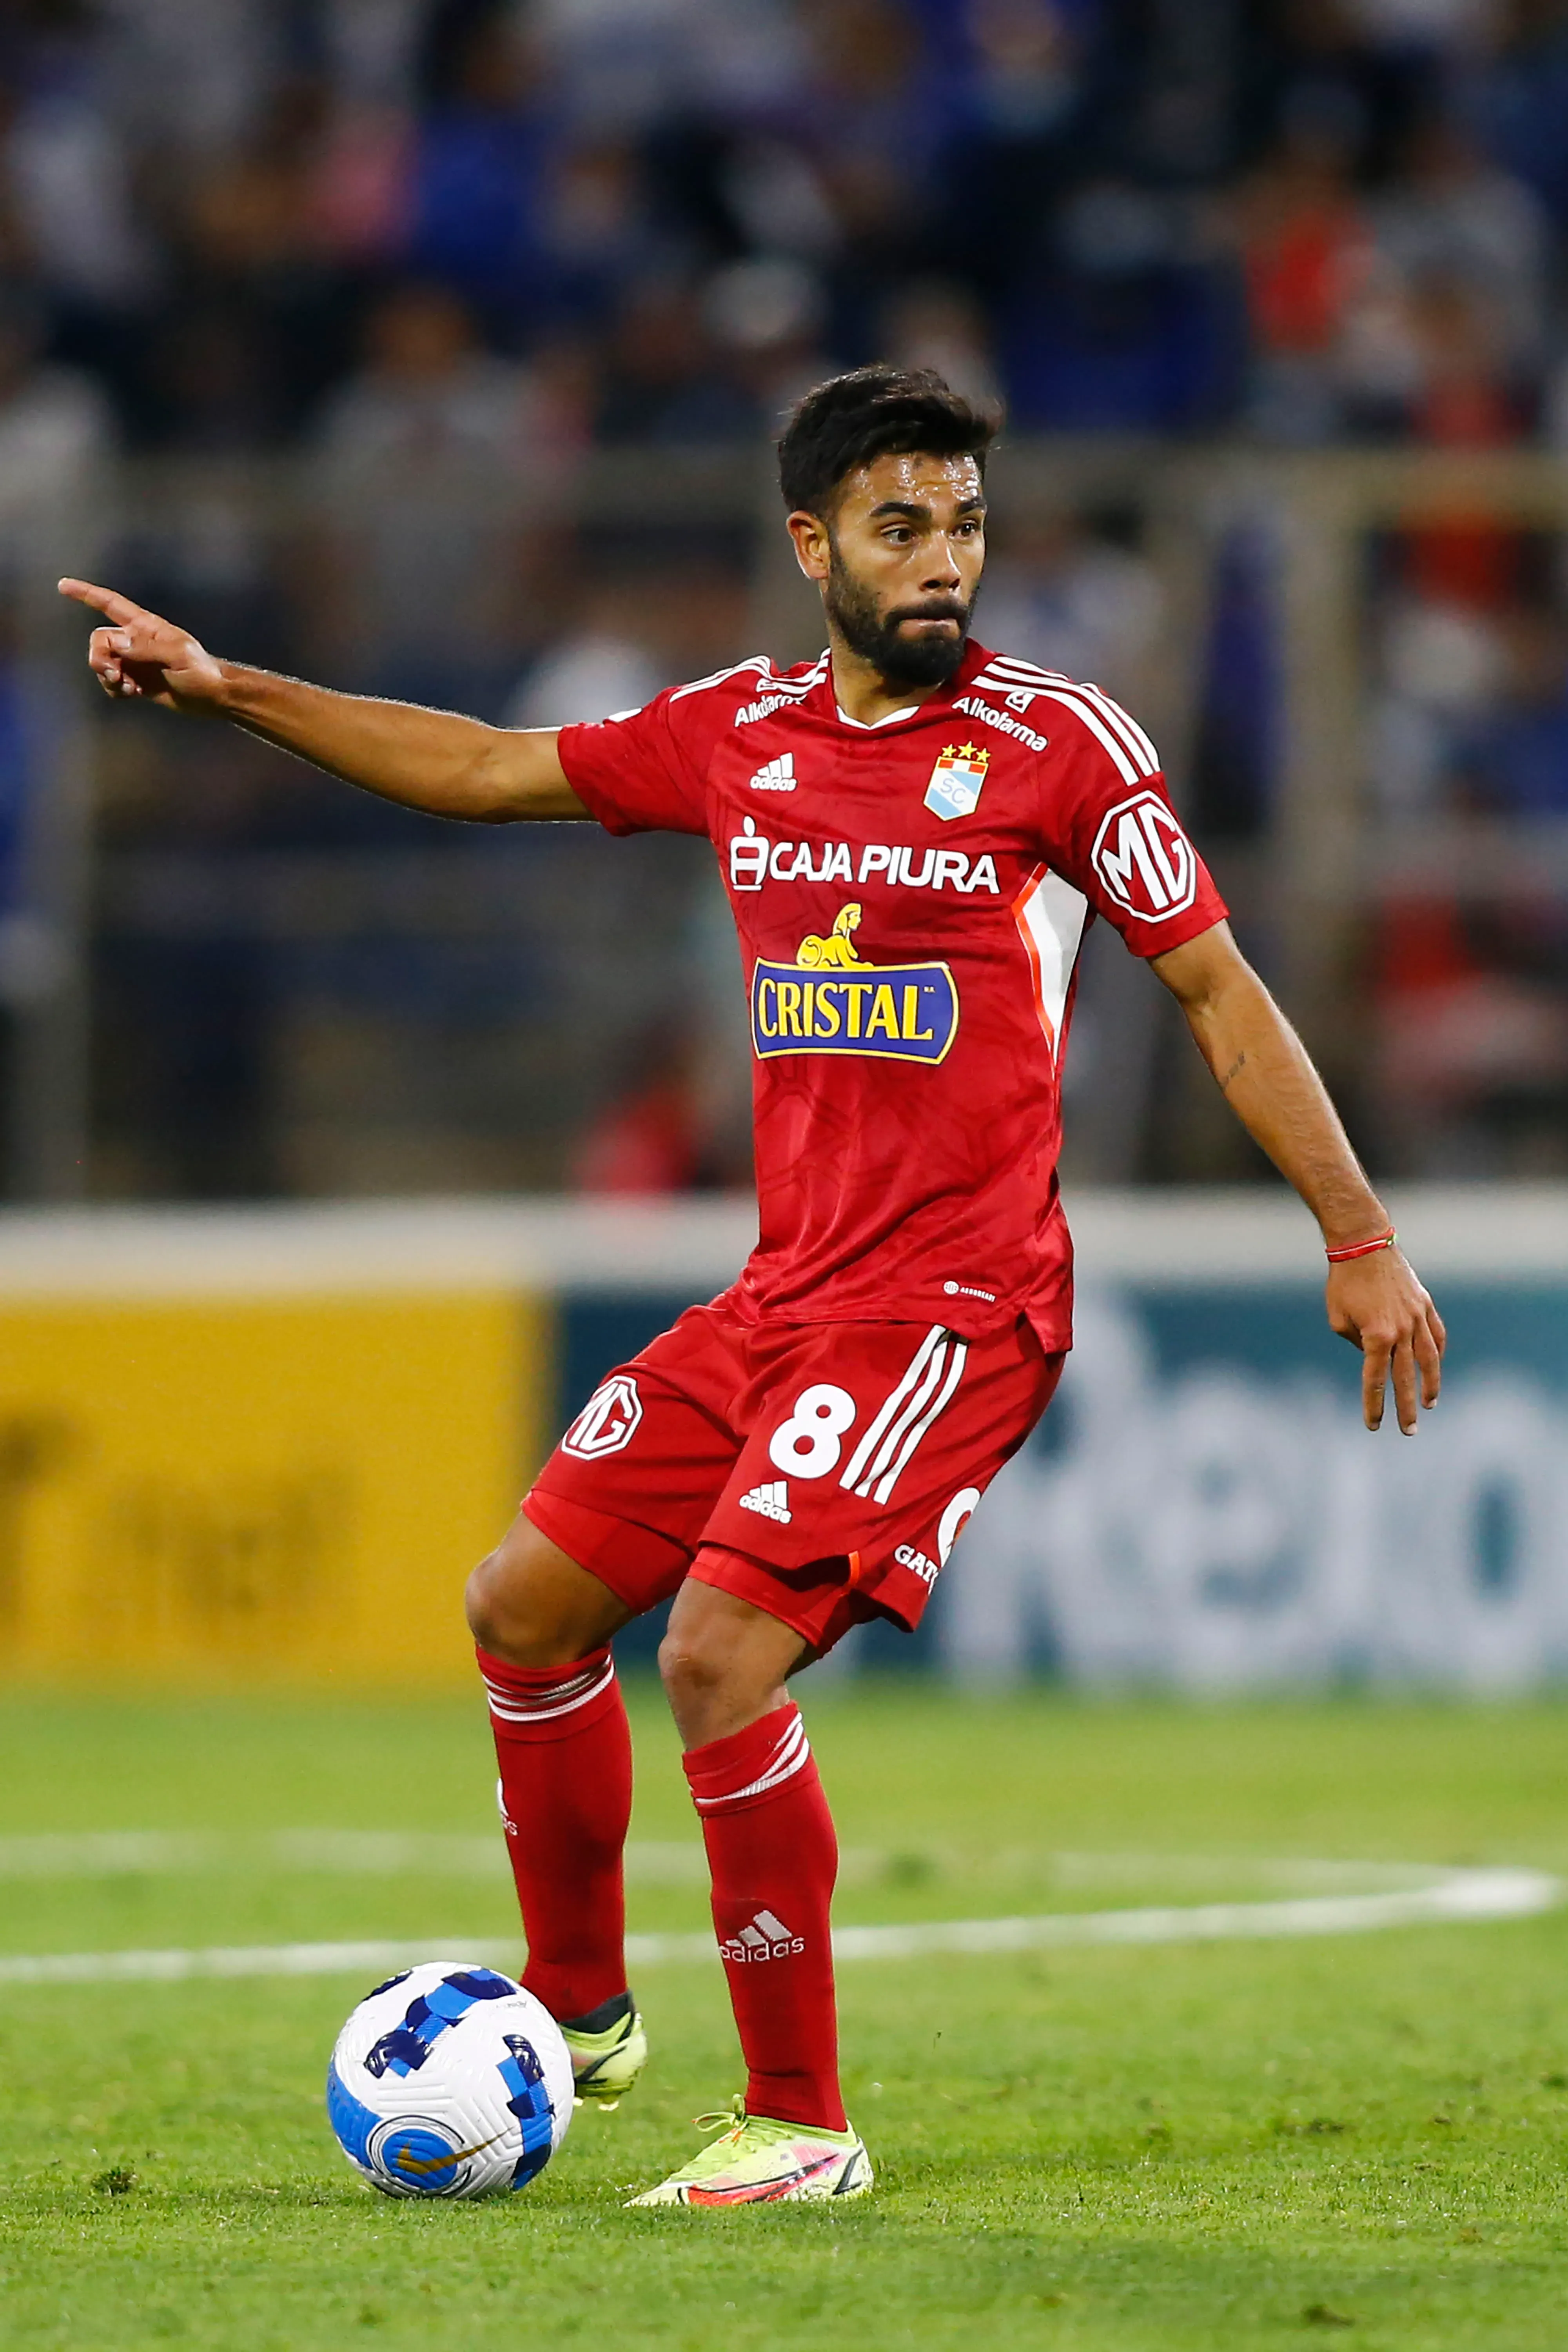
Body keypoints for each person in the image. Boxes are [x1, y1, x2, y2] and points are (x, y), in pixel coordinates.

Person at [60, 365, 1445, 2209]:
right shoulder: (739, 732)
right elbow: (482, 768)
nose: (944, 560)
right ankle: (579, 2010)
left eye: (964, 525)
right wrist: (231, 687)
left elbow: (1216, 988)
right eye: (901, 526)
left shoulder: (1059, 745)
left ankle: (802, 2119)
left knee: (716, 1653)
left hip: (955, 1307)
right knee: (523, 1606)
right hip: (784, 1293)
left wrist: (1356, 1232)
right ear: (813, 545)